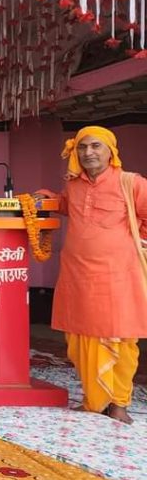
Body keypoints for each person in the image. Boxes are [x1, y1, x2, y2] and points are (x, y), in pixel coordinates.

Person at [50, 126, 147, 424]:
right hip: (77, 273)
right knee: (79, 338)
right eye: (82, 147)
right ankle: (94, 400)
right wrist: (45, 198)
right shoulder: (74, 185)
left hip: (117, 274)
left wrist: (138, 242)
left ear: (110, 151)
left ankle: (119, 403)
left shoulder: (132, 182)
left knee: (119, 339)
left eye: (95, 146)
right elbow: (66, 205)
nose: (88, 152)